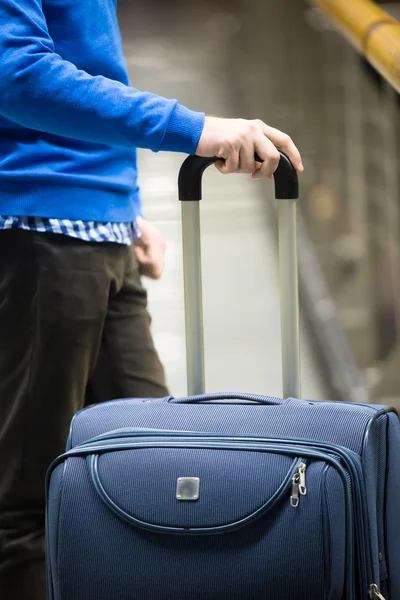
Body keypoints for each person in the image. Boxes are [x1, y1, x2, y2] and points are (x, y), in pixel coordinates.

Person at [0, 0, 304, 598]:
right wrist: (195, 128)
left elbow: (82, 59)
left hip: (96, 224)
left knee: (150, 468)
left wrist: (124, 208)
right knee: (23, 504)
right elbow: (17, 72)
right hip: (38, 224)